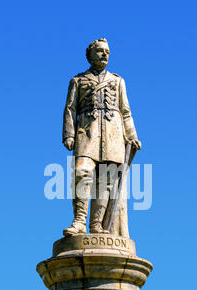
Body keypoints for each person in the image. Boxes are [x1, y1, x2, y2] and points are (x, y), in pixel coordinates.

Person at [62, 38, 141, 237]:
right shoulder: (78, 81)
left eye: (107, 51)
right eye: (99, 51)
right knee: (82, 172)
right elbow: (70, 109)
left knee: (106, 181)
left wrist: (132, 135)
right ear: (89, 55)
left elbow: (125, 111)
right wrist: (69, 135)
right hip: (87, 133)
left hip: (113, 134)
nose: (104, 54)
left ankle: (96, 225)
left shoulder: (118, 81)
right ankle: (79, 221)